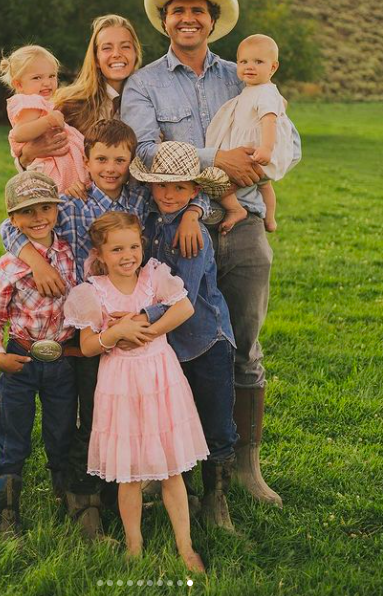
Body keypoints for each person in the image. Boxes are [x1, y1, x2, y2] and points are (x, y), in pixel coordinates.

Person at [122, 0, 302, 507]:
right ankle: (171, 465)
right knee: (175, 344)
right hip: (178, 233)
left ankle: (245, 467)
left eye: (197, 8)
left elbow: (283, 134)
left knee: (244, 347)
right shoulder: (145, 83)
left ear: (213, 18)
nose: (187, 17)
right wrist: (214, 160)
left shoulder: (244, 74)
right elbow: (141, 152)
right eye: (177, 9)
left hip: (241, 223)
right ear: (164, 20)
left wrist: (265, 167)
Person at [0, 120, 208, 539]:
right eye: (101, 159)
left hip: (133, 318)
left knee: (141, 413)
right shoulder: (68, 204)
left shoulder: (142, 197)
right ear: (85, 161)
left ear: (130, 163)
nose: (110, 167)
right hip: (84, 324)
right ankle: (84, 499)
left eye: (119, 160)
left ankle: (160, 488)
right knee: (91, 414)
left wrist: (195, 211)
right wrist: (37, 262)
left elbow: (189, 196)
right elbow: (9, 225)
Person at [64, 212, 207, 572]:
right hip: (121, 384)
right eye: (116, 249)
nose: (127, 255)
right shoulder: (92, 292)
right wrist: (114, 334)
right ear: (101, 253)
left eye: (133, 246)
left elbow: (185, 307)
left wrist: (149, 330)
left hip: (160, 375)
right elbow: (88, 346)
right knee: (129, 472)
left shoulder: (152, 276)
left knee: (171, 468)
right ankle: (134, 543)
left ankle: (185, 546)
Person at [130, 140, 239, 531]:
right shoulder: (150, 223)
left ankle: (216, 498)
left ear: (195, 190)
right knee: (177, 418)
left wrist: (139, 318)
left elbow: (184, 297)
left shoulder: (195, 236)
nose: (168, 194)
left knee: (215, 421)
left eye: (179, 187)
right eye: (161, 186)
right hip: (170, 345)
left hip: (204, 339)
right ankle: (185, 493)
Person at [0, 172, 78, 537]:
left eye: (46, 208)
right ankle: (6, 512)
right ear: (12, 218)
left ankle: (66, 498)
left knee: (62, 431)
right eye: (27, 212)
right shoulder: (9, 266)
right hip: (21, 358)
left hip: (63, 361)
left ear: (57, 210)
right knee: (13, 433)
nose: (38, 218)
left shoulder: (70, 255)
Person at [16, 15, 142, 171]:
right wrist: (26, 156)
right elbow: (34, 156)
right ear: (96, 57)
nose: (116, 53)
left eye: (125, 46)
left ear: (136, 53)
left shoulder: (150, 101)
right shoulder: (70, 104)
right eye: (107, 48)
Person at [206, 34, 295, 234]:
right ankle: (270, 219)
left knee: (219, 186)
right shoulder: (251, 90)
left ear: (273, 67)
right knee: (265, 187)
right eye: (243, 61)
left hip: (255, 153)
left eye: (258, 62)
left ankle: (236, 210)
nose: (249, 66)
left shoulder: (266, 93)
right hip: (252, 153)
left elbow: (269, 120)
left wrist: (266, 148)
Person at [0, 45, 88, 192]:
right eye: (37, 78)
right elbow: (19, 134)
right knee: (56, 191)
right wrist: (49, 121)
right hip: (46, 165)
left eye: (52, 76)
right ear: (18, 84)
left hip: (54, 160)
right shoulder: (27, 102)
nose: (47, 82)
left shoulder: (43, 102)